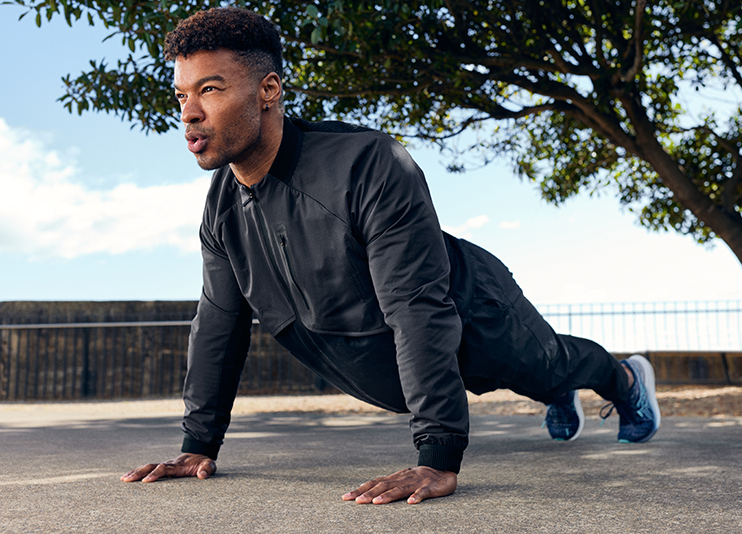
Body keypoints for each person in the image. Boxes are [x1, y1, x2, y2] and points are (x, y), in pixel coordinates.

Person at [120, 7, 660, 505]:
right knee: (538, 379)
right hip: (403, 358)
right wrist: (198, 444)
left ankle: (625, 380)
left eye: (209, 89)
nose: (189, 113)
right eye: (180, 96)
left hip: (473, 311)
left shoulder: (367, 163)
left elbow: (415, 303)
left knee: (548, 365)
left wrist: (438, 454)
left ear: (268, 89)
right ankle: (555, 393)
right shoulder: (221, 213)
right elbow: (218, 324)